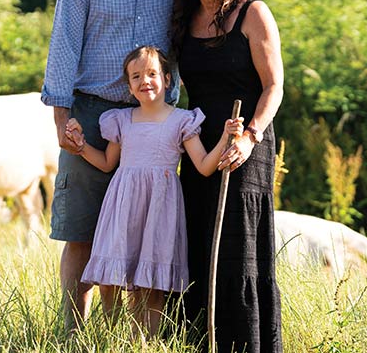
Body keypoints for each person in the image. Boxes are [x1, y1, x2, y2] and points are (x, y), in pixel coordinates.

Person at [40, 0, 181, 333]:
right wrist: (62, 118)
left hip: (152, 121)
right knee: (82, 230)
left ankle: (124, 335)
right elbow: (63, 44)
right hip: (91, 113)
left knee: (139, 235)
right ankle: (74, 334)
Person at [65, 45, 243, 337]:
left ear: (168, 79)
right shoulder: (120, 120)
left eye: (151, 73)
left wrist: (226, 136)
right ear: (129, 86)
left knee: (150, 283)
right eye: (136, 77)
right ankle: (111, 336)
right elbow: (108, 162)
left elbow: (204, 166)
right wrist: (82, 147)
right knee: (111, 276)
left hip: (159, 208)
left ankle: (142, 340)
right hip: (123, 205)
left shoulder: (182, 120)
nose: (144, 81)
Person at [168, 0, 284, 352]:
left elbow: (274, 86)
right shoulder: (183, 17)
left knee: (238, 250)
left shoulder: (253, 13)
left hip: (246, 141)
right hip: (199, 146)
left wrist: (251, 137)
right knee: (196, 240)